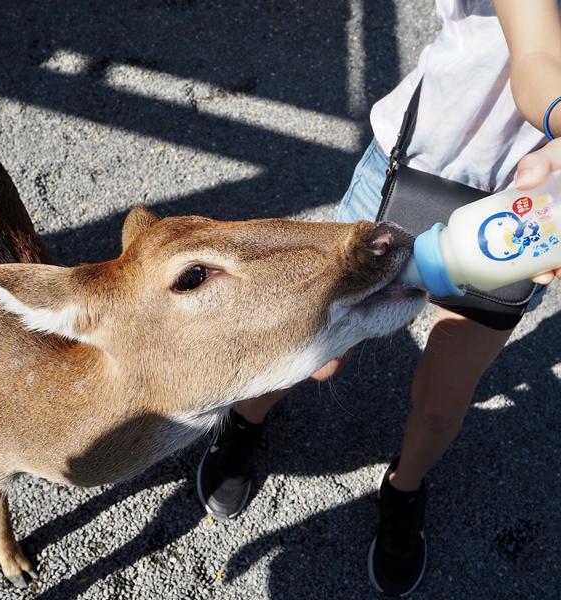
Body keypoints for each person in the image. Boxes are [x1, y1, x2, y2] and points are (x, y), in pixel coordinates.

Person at [196, 0, 561, 595]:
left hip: (532, 213)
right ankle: (243, 420)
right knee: (315, 350)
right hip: (411, 166)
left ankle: (404, 490)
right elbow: (539, 54)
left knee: (443, 400)